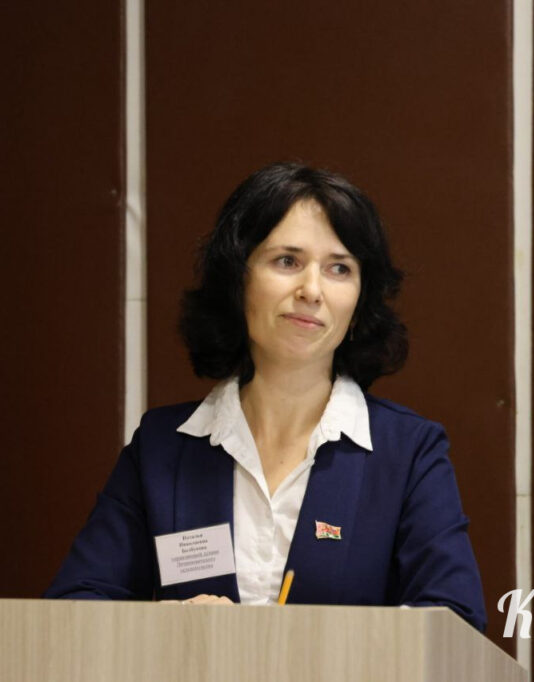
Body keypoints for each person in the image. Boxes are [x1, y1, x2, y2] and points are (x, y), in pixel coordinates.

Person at [44, 162, 487, 631]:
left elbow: (454, 620)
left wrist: (302, 647)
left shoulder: (408, 452)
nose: (311, 290)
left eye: (339, 268)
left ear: (359, 305)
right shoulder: (162, 448)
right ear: (238, 282)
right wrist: (175, 623)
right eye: (287, 262)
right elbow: (75, 606)